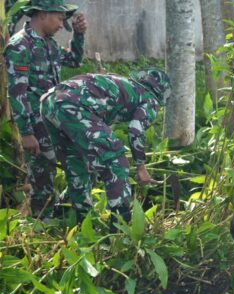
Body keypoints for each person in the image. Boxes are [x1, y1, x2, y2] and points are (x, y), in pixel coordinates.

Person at [39, 70, 170, 225]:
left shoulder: (123, 83)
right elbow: (136, 130)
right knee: (116, 163)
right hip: (74, 106)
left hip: (49, 102)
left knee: (77, 168)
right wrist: (140, 167)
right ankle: (120, 230)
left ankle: (75, 223)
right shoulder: (150, 100)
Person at [4, 0, 87, 219]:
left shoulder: (49, 45)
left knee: (80, 161)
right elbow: (17, 92)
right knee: (42, 178)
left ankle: (63, 210)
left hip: (55, 119)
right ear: (42, 14)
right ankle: (42, 225)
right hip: (35, 123)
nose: (61, 24)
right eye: (59, 19)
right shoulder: (20, 45)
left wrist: (78, 36)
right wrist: (26, 133)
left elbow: (75, 60)